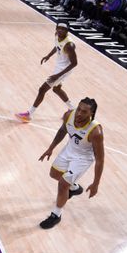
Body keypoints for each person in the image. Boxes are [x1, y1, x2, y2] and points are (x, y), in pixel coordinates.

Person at [37, 98, 104, 229]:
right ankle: (74, 188)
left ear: (91, 113)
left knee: (62, 184)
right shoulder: (69, 115)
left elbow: (100, 159)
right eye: (78, 109)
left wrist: (96, 183)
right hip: (69, 149)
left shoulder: (96, 132)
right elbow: (62, 130)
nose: (79, 113)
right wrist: (50, 148)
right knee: (54, 174)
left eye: (84, 112)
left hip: (83, 158)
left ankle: (56, 215)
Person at [16, 23, 78, 123]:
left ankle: (29, 114)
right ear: (56, 29)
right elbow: (57, 46)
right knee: (56, 89)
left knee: (42, 89)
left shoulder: (69, 45)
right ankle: (72, 109)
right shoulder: (57, 35)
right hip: (59, 67)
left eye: (63, 29)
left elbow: (74, 63)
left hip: (65, 69)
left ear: (67, 31)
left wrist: (58, 75)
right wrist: (48, 55)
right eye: (59, 28)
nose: (60, 30)